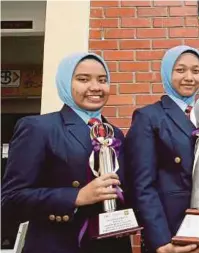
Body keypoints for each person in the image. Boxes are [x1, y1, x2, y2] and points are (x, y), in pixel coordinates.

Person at [1, 52, 132, 253]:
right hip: (60, 245)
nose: (96, 87)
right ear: (65, 82)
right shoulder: (38, 128)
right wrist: (75, 196)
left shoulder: (115, 134)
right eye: (83, 79)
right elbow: (12, 198)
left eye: (102, 80)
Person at [125, 45, 199, 253]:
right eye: (180, 70)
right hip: (172, 234)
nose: (189, 77)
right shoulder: (148, 117)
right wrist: (161, 242)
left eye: (195, 70)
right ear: (167, 73)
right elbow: (142, 185)